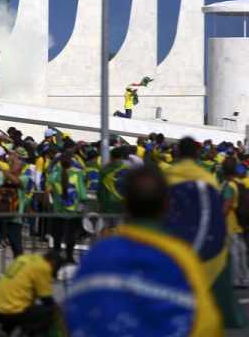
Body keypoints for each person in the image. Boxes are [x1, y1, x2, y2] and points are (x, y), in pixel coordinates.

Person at [65, 165, 222, 336]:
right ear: (166, 206)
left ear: (126, 205)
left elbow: (72, 314)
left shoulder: (98, 255)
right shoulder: (183, 257)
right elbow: (206, 325)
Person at [165, 136, 245, 327]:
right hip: (201, 235)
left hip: (173, 238)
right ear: (196, 153)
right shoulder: (207, 178)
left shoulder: (167, 175)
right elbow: (215, 209)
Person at [0, 250, 63, 336]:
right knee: (50, 311)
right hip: (11, 310)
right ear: (53, 263)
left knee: (22, 307)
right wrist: (59, 311)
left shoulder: (24, 258)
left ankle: (4, 332)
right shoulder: (43, 267)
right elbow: (46, 298)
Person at [0, 151, 28, 280]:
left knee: (17, 247)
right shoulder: (3, 177)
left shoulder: (24, 177)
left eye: (13, 163)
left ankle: (20, 272)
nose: (11, 165)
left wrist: (4, 171)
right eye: (11, 163)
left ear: (20, 166)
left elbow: (16, 181)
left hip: (14, 219)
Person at [46, 153, 86, 264]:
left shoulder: (54, 175)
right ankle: (69, 256)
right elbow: (82, 195)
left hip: (58, 211)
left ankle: (55, 257)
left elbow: (48, 190)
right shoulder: (77, 175)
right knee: (71, 236)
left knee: (57, 235)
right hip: (73, 212)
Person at [222, 157, 249, 288]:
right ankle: (244, 278)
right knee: (242, 251)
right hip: (241, 222)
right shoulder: (240, 183)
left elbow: (227, 205)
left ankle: (236, 279)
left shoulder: (229, 186)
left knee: (234, 252)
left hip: (231, 223)